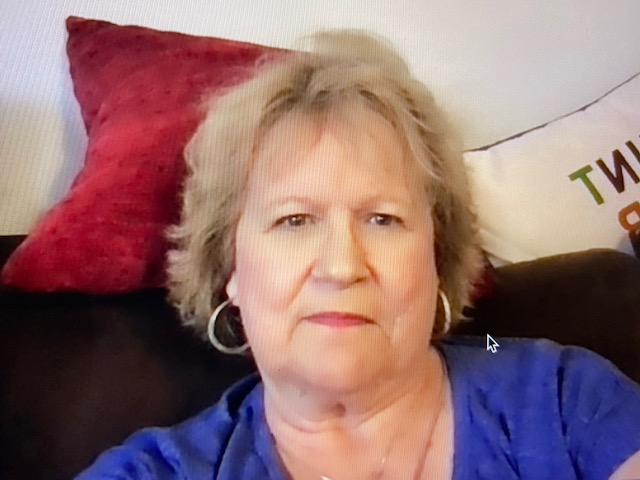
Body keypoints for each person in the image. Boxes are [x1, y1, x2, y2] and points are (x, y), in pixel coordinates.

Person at [76, 31, 640, 480]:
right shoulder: (154, 472)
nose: (342, 267)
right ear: (232, 272)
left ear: (437, 260)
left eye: (383, 219)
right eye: (294, 221)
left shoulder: (562, 399)